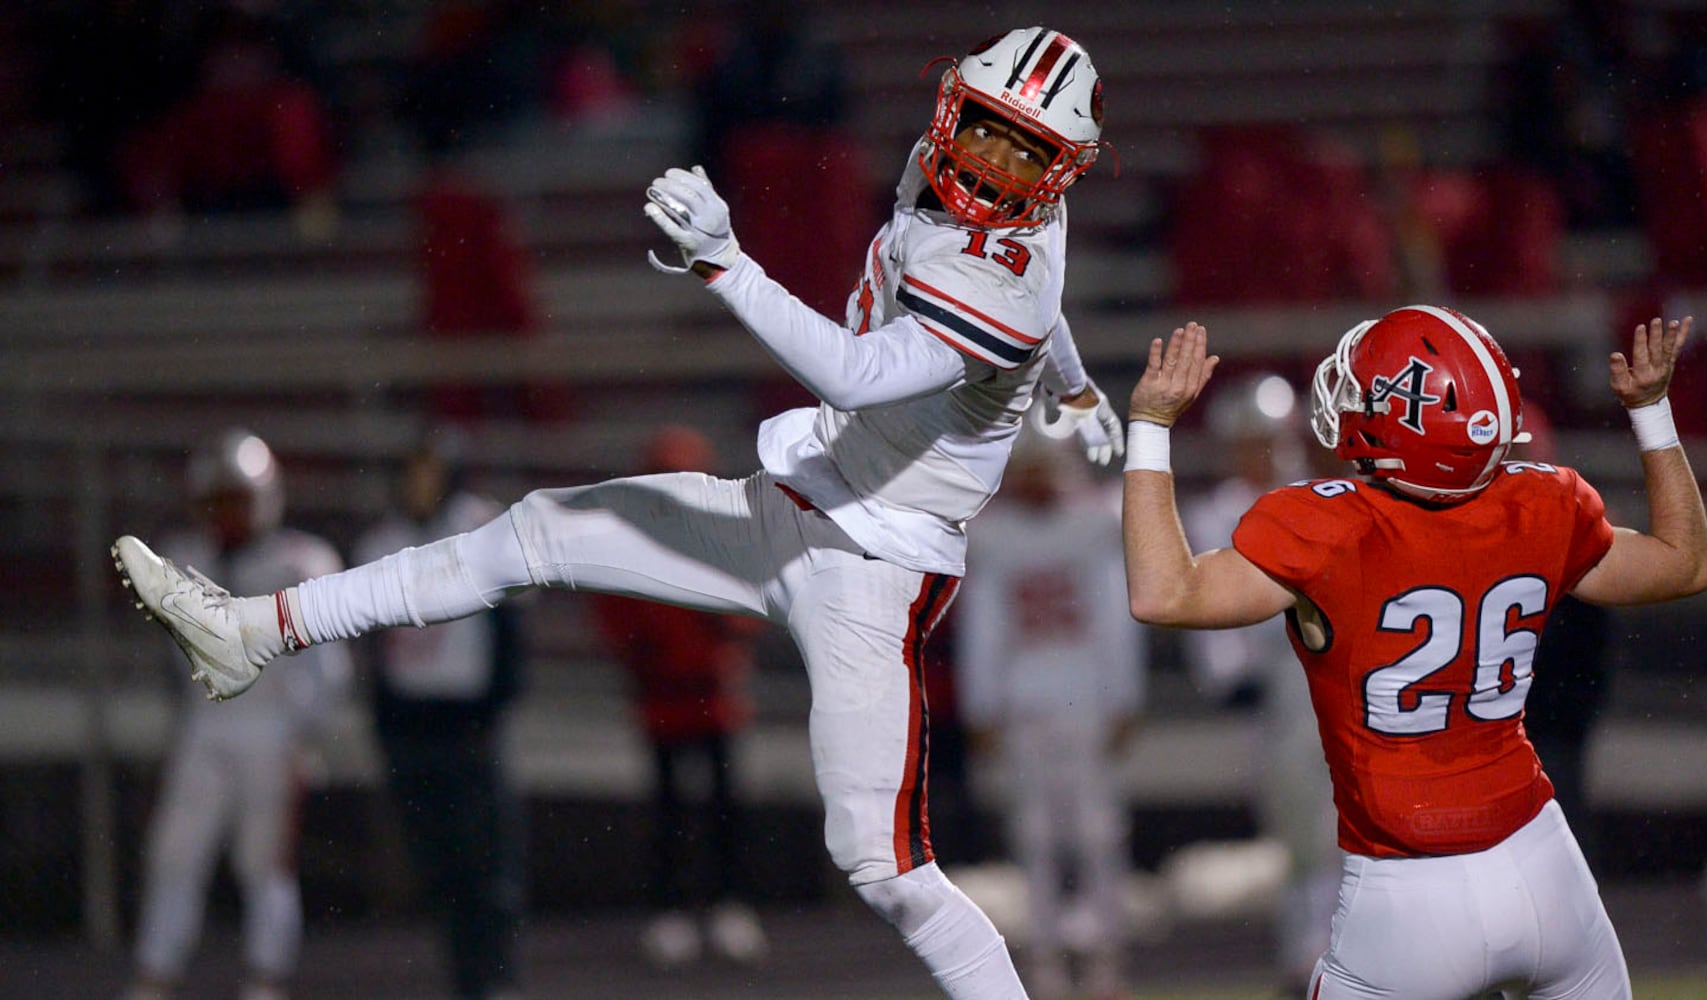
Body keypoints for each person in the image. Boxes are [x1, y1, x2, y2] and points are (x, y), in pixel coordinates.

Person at [112, 26, 1120, 1000]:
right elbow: (1052, 306)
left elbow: (855, 375)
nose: (989, 160)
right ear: (955, 106)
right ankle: (252, 628)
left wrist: (727, 263)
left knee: (888, 872)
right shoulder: (996, 202)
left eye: (1021, 149)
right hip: (796, 503)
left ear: (1056, 170)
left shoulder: (1006, 284)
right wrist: (1071, 389)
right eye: (985, 126)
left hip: (874, 568)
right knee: (538, 529)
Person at [1119, 309, 1707, 999]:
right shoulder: (1543, 502)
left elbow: (1164, 594)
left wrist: (1151, 426)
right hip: (1542, 865)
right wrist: (1651, 412)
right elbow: (1684, 565)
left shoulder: (1322, 525)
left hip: (1404, 890)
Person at [122, 430, 350, 1000]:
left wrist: (305, 736)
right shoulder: (185, 559)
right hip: (207, 727)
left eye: (236, 499)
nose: (225, 514)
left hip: (272, 731)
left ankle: (265, 976)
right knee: (175, 852)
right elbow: (175, 666)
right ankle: (156, 971)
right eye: (217, 500)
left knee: (264, 862)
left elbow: (330, 669)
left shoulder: (301, 561)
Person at [955, 430, 1143, 1000]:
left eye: (1044, 467)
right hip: (1026, 700)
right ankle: (1045, 964)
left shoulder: (1093, 524)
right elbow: (983, 628)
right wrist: (982, 704)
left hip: (1081, 695)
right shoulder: (994, 536)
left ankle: (1105, 959)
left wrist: (1122, 697)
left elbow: (1115, 613)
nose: (1036, 479)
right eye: (1028, 467)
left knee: (1097, 833)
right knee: (1034, 837)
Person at [587, 425, 769, 969]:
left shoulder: (725, 533)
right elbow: (614, 612)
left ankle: (727, 903)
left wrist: (720, 633)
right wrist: (650, 648)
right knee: (671, 809)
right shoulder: (635, 541)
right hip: (664, 695)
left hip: (712, 693)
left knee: (722, 807)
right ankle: (673, 908)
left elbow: (754, 601)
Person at [1180, 373, 1339, 997]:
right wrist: (1228, 673)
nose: (1257, 451)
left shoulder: (1321, 494)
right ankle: (1306, 953)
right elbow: (1204, 601)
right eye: (1247, 440)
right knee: (1296, 830)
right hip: (1275, 687)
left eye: (1265, 438)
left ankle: (1340, 952)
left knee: (1349, 826)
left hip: (1338, 679)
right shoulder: (1217, 509)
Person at [353, 433, 527, 1000]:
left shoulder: (483, 528)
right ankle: (466, 980)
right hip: (412, 724)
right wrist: (383, 720)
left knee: (488, 864)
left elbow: (511, 626)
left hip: (470, 721)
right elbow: (373, 648)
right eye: (412, 473)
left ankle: (497, 977)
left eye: (430, 473)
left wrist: (499, 701)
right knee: (440, 867)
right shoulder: (382, 541)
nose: (419, 487)